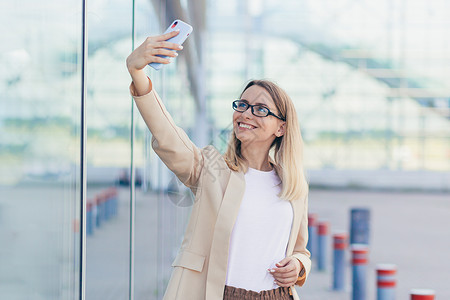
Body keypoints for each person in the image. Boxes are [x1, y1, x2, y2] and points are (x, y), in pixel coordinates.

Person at [126, 30, 311, 300]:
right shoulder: (212, 169)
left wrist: (298, 266)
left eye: (260, 109)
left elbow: (300, 250)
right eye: (242, 105)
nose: (246, 114)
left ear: (281, 127)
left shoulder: (292, 183)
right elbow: (167, 135)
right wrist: (138, 74)